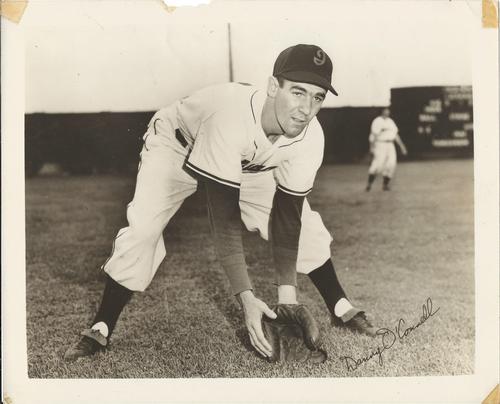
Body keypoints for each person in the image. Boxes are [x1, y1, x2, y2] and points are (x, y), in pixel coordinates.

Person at [64, 44, 376, 362]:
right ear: (272, 86)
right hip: (176, 145)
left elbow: (288, 215)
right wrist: (247, 298)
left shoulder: (310, 137)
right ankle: (100, 327)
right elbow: (224, 219)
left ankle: (341, 308)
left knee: (307, 226)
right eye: (297, 92)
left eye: (318, 97)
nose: (306, 108)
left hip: (250, 162)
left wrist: (287, 297)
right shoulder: (231, 117)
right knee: (144, 230)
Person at [366, 107, 408, 191]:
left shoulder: (390, 122)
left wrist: (402, 146)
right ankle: (369, 184)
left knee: (391, 164)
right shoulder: (377, 121)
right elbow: (373, 135)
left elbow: (395, 135)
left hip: (390, 144)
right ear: (381, 112)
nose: (387, 112)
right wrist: (371, 147)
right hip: (380, 144)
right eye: (385, 111)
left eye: (388, 111)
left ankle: (385, 185)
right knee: (378, 165)